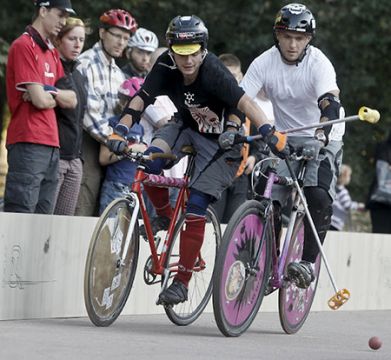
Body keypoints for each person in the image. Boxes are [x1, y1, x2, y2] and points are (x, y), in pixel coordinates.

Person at [106, 15, 288, 305]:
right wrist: (120, 129)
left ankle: (182, 282)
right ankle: (164, 214)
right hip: (185, 126)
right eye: (181, 54)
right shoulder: (165, 64)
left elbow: (245, 103)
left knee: (197, 204)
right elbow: (142, 98)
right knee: (150, 162)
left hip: (222, 142)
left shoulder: (213, 69)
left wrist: (268, 130)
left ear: (202, 49)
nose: (187, 61)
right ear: (172, 51)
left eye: (193, 54)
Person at [241, 3, 345, 289]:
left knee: (317, 195)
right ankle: (269, 262)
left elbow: (330, 100)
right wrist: (233, 128)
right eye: (287, 36)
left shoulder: (319, 63)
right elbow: (241, 100)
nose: (292, 43)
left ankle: (307, 264)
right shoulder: (264, 62)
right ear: (278, 35)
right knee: (266, 191)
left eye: (299, 38)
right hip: (286, 134)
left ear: (308, 39)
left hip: (323, 134)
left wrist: (322, 132)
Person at [4, 0, 77, 214]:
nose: (63, 22)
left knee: (44, 217)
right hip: (27, 140)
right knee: (21, 212)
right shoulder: (23, 45)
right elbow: (40, 101)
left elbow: (72, 100)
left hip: (53, 143)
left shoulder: (52, 51)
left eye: (66, 17)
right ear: (43, 11)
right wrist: (49, 96)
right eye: (60, 14)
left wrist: (47, 90)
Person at [75, 9, 138, 216]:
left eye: (126, 38)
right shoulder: (86, 64)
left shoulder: (118, 73)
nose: (121, 42)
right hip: (90, 144)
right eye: (117, 35)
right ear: (102, 33)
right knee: (84, 204)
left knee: (105, 211)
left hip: (112, 149)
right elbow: (89, 115)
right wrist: (118, 141)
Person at [212, 53, 262, 223]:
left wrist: (254, 157)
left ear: (241, 77)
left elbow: (260, 137)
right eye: (227, 76)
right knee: (212, 222)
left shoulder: (249, 104)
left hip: (241, 175)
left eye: (235, 76)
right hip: (216, 173)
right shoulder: (212, 104)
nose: (231, 81)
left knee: (235, 223)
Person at [52, 17, 88, 215]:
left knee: (64, 221)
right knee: (46, 219)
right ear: (58, 40)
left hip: (75, 158)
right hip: (56, 156)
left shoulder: (79, 76)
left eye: (81, 40)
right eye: (72, 38)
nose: (77, 44)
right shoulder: (53, 68)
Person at [98, 77, 146, 214]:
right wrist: (130, 149)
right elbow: (103, 158)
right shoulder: (113, 124)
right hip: (116, 184)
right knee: (110, 227)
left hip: (135, 185)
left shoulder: (139, 128)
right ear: (122, 101)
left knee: (130, 230)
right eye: (132, 102)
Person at [366, 132, 391, 233]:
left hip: (380, 200)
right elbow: (381, 172)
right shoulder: (384, 148)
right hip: (381, 202)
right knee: (381, 238)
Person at [330, 164, 364, 231]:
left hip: (329, 220)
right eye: (349, 176)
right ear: (344, 176)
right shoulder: (342, 191)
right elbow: (347, 204)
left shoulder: (333, 189)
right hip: (336, 222)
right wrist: (358, 205)